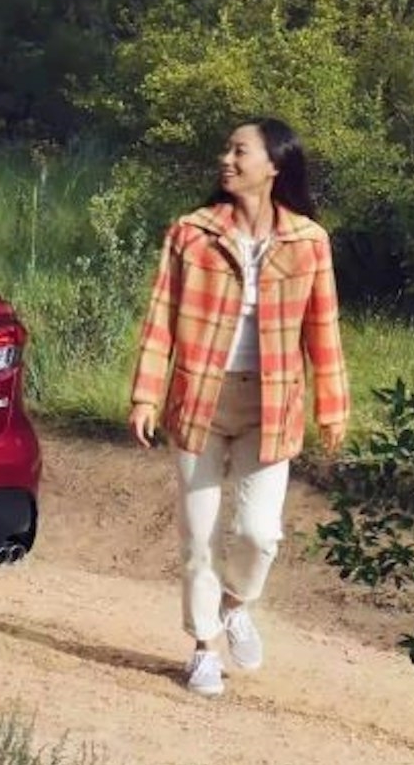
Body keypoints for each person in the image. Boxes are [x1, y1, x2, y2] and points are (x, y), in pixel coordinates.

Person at [129, 117, 349, 697]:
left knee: (258, 534)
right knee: (197, 536)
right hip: (199, 400)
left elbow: (322, 329)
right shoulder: (191, 233)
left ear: (274, 166)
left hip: (272, 405)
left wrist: (333, 407)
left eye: (239, 151)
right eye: (226, 149)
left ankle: (235, 604)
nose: (226, 159)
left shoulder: (308, 241)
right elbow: (160, 319)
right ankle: (203, 647)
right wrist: (146, 394)